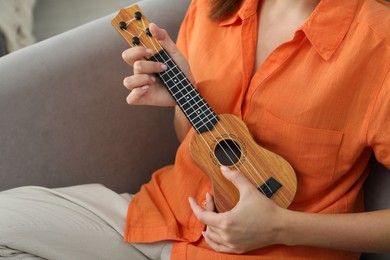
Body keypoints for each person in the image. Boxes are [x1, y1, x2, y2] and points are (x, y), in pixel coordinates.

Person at [0, 0, 389, 259]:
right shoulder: (211, 7)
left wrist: (281, 227)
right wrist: (184, 97)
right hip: (164, 218)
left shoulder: (378, 46)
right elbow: (194, 143)